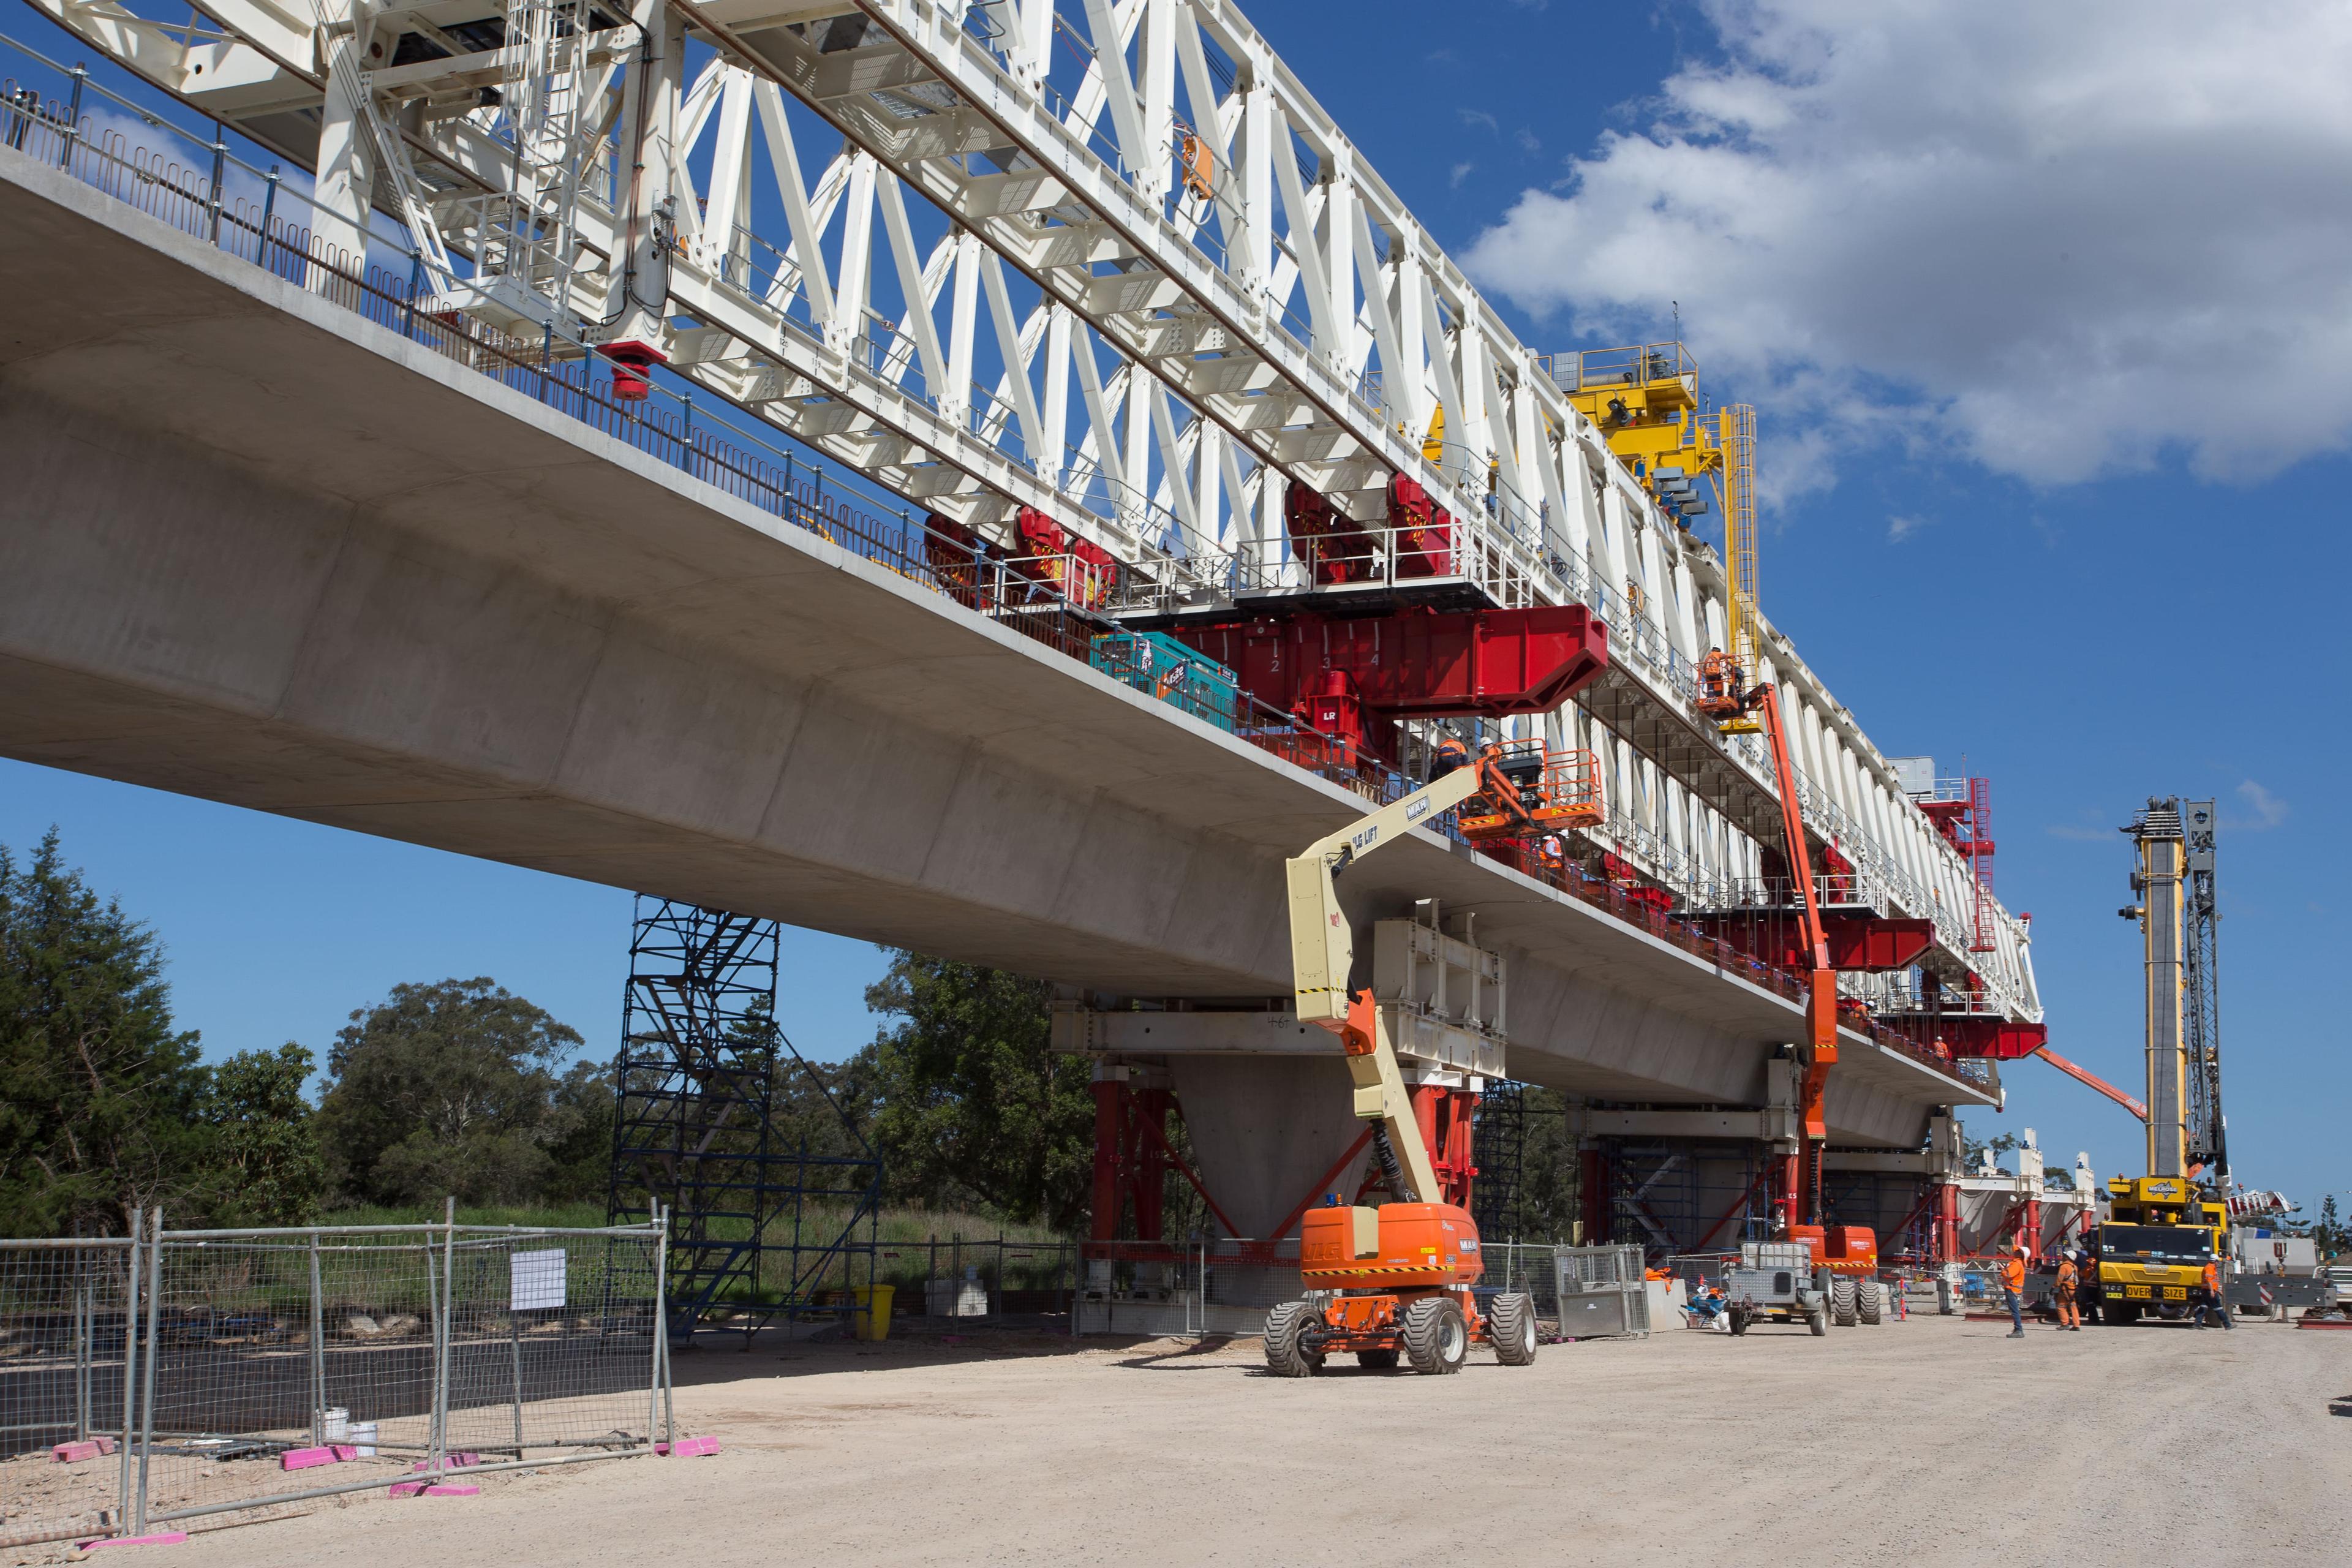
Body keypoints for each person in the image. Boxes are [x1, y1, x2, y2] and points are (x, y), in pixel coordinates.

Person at [2000, 1244, 2028, 1338]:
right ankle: (2018, 1329)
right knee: (2015, 1310)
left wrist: (2003, 1271)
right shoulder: (2018, 1264)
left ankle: (2018, 1330)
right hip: (2014, 1289)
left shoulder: (2016, 1264)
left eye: (2017, 1251)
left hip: (2011, 1289)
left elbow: (2008, 1274)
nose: (2015, 1252)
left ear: (2021, 1254)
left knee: (2014, 1311)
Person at [2199, 1256, 2233, 1330]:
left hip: (2207, 1290)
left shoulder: (2212, 1268)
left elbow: (2213, 1282)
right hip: (2209, 1291)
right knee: (2218, 1308)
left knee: (2204, 1307)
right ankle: (2227, 1325)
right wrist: (2212, 1291)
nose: (2218, 1263)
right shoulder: (2209, 1268)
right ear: (2215, 1261)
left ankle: (2197, 1324)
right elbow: (2209, 1281)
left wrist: (2217, 1290)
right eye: (2218, 1262)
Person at [2053, 1250, 2082, 1332]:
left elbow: (2059, 1279)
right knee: (2074, 1307)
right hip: (2073, 1290)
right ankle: (2076, 1325)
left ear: (2067, 1257)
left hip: (2065, 1290)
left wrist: (2054, 1287)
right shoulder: (2075, 1267)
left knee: (2061, 1306)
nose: (2063, 1257)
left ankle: (2065, 1324)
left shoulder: (2064, 1267)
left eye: (2065, 1256)